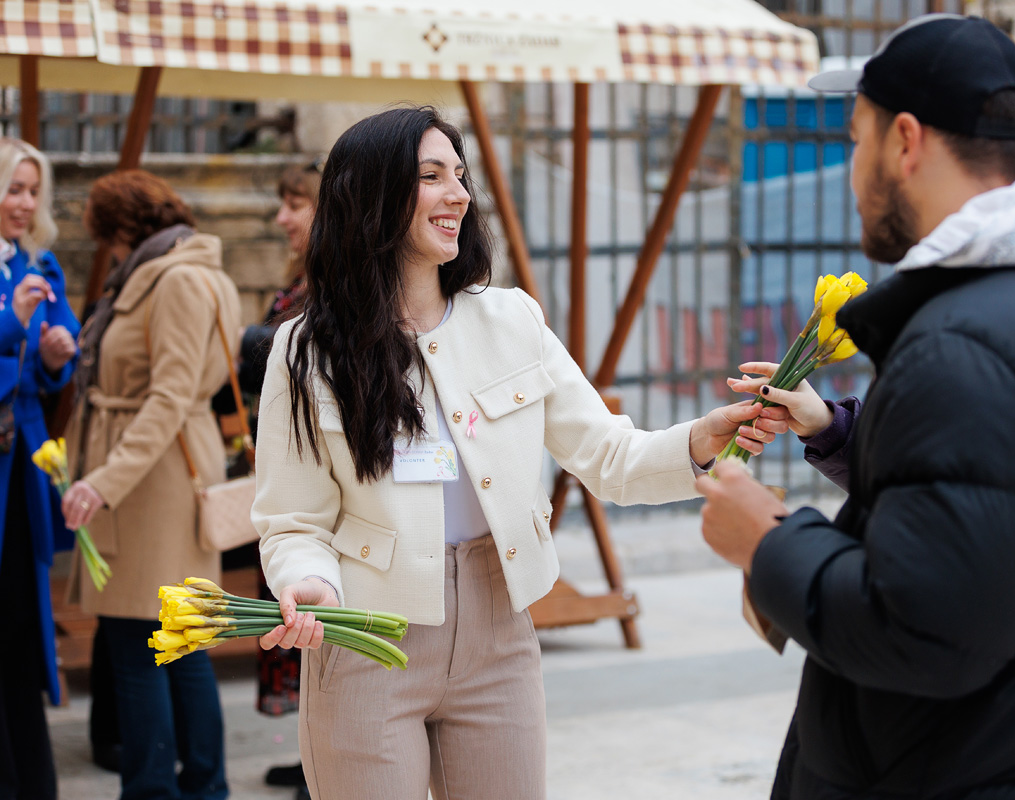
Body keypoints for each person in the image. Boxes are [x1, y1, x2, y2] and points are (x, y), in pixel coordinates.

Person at [696, 14, 1015, 799]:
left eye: (857, 139)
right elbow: (1009, 564)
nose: (853, 171)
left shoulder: (963, 342)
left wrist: (771, 542)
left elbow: (930, 631)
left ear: (906, 141)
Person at [252, 106, 790, 800]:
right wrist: (308, 583)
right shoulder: (304, 351)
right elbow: (293, 520)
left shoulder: (512, 320)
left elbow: (608, 456)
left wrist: (702, 437)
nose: (459, 194)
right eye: (432, 176)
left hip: (499, 635)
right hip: (364, 636)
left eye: (461, 176)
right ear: (372, 193)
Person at [63, 169, 241, 800]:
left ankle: (161, 790)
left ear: (124, 230)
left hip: (150, 486)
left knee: (145, 649)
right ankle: (201, 785)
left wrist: (102, 481)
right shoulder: (188, 272)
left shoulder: (174, 280)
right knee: (177, 645)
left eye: (108, 241)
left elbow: (167, 397)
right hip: (157, 476)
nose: (108, 255)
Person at [212, 160, 318, 798]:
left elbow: (281, 352)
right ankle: (311, 759)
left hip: (313, 474)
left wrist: (245, 340)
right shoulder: (300, 278)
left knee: (309, 615)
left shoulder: (337, 282)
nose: (282, 218)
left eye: (295, 205)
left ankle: (322, 770)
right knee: (289, 608)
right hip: (279, 467)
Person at [0, 137, 79, 800]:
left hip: (23, 466)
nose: (24, 204)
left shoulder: (39, 264)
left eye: (32, 190)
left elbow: (61, 362)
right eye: (13, 188)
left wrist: (56, 355)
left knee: (23, 625)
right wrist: (11, 324)